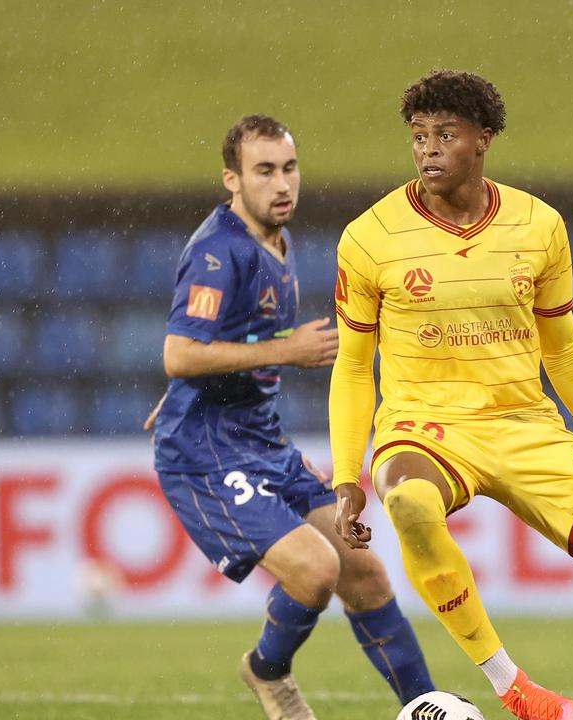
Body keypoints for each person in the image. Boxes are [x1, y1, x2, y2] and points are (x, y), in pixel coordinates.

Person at [329, 71, 573, 720]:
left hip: (526, 423)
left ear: (483, 140)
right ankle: (514, 689)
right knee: (410, 503)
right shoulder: (369, 236)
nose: (428, 149)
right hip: (424, 423)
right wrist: (345, 476)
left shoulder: (539, 224)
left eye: (445, 134)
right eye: (418, 136)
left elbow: (564, 350)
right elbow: (354, 367)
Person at [148, 114, 434, 720]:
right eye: (264, 171)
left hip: (258, 438)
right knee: (316, 569)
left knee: (365, 572)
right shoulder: (218, 254)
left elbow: (213, 342)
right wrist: (286, 350)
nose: (282, 184)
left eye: (289, 168)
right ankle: (266, 671)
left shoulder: (275, 238)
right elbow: (179, 352)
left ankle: (426, 707)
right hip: (206, 453)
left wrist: (192, 379)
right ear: (233, 180)